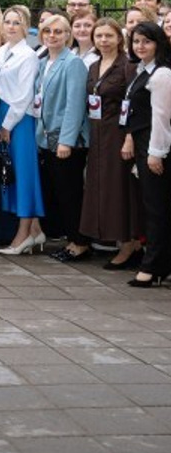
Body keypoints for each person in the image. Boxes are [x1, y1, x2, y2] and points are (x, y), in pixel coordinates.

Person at [78, 18, 143, 270]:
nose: (103, 41)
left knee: (120, 190)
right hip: (98, 134)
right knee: (101, 188)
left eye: (109, 36)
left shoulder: (127, 67)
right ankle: (118, 241)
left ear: (119, 39)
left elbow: (133, 106)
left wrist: (129, 137)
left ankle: (129, 245)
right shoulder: (94, 66)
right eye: (99, 36)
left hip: (118, 135)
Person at [35, 11, 91, 263]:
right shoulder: (43, 61)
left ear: (68, 36)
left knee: (70, 194)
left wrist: (66, 141)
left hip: (65, 140)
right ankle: (70, 239)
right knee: (58, 192)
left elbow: (75, 105)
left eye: (58, 31)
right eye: (48, 31)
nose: (52, 35)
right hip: (46, 137)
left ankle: (79, 243)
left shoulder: (73, 63)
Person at [0, 6, 46, 255]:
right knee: (9, 172)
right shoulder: (2, 51)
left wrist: (7, 124)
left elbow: (24, 95)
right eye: (7, 22)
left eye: (17, 22)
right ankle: (35, 231)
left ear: (25, 27)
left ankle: (23, 233)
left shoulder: (28, 56)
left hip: (19, 119)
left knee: (24, 174)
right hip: (2, 115)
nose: (11, 26)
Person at [127, 22, 171, 288]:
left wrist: (156, 154)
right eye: (136, 41)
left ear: (158, 44)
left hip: (156, 148)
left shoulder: (162, 74)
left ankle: (152, 265)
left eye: (147, 41)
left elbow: (162, 118)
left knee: (157, 209)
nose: (140, 46)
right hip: (143, 144)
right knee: (154, 207)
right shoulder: (141, 70)